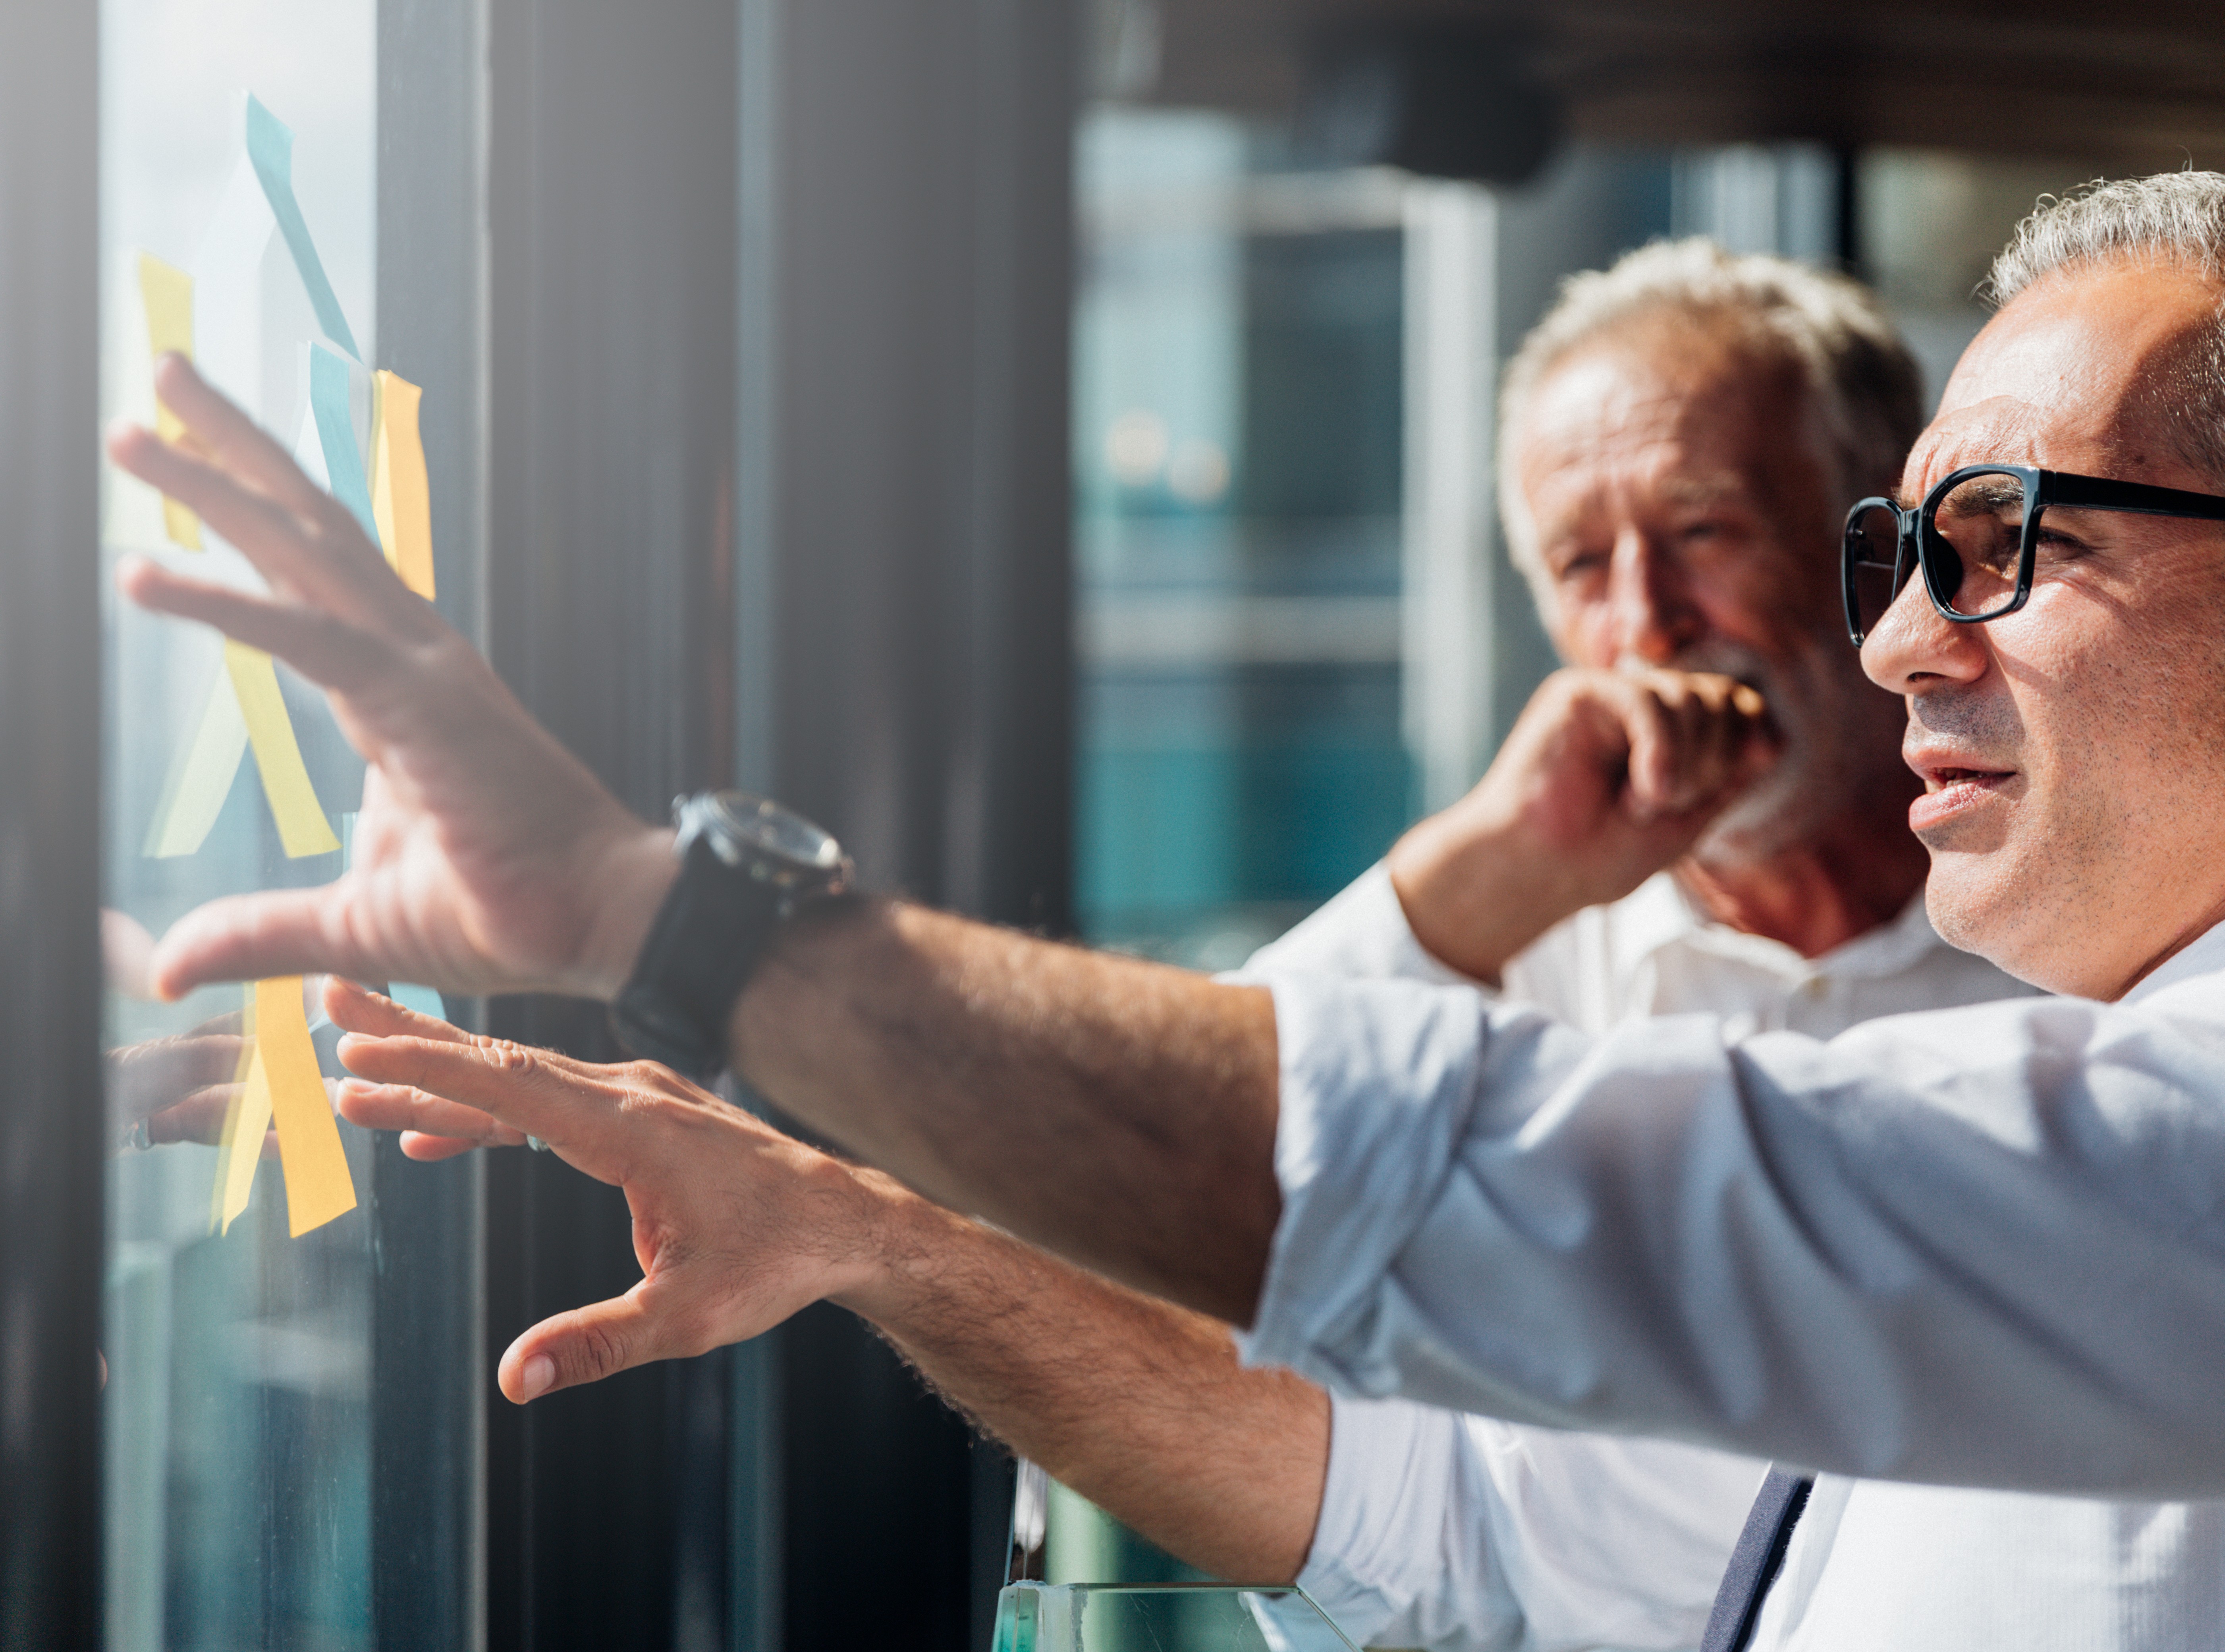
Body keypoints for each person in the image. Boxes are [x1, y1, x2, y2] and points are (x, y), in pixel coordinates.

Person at [111, 172, 2225, 1648]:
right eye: (1900, 559)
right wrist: (863, 1224)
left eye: (2007, 549)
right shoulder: (2135, 1094)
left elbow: (1545, 1199)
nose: (1891, 648)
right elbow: (1432, 1502)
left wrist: (682, 923)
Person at [327, 243, 2037, 1652]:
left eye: (1708, 532)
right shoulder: (1482, 949)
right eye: (1583, 563)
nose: (1644, 620)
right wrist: (1482, 884)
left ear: (1875, 541)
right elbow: (1157, 1216)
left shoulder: (2082, 931)